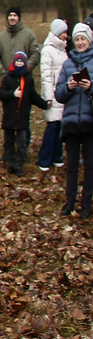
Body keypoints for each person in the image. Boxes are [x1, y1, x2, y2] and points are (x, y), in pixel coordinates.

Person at [55, 23, 93, 218]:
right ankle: (69, 202)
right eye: (77, 39)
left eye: (83, 39)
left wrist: (90, 87)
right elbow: (58, 95)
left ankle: (86, 204)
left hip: (90, 123)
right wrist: (69, 87)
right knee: (71, 166)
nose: (80, 42)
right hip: (70, 123)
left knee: (89, 166)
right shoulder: (67, 64)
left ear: (89, 40)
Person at [0, 51, 46, 176]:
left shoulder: (28, 79)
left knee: (22, 143)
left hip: (22, 117)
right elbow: (1, 94)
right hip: (9, 117)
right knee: (8, 142)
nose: (19, 63)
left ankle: (19, 166)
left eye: (21, 61)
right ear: (14, 62)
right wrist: (12, 94)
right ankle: (10, 164)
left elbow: (33, 96)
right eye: (17, 60)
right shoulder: (7, 78)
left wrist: (45, 105)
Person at [37, 19, 68, 171]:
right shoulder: (47, 50)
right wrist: (49, 97)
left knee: (60, 127)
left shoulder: (63, 50)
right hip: (53, 95)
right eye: (63, 33)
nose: (66, 36)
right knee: (52, 127)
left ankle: (57, 155)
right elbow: (46, 76)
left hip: (62, 94)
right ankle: (44, 158)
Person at [0, 6, 39, 76]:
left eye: (15, 15)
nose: (12, 18)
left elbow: (36, 54)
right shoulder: (1, 36)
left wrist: (25, 68)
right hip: (6, 80)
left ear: (19, 18)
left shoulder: (29, 35)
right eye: (10, 15)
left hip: (24, 79)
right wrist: (1, 71)